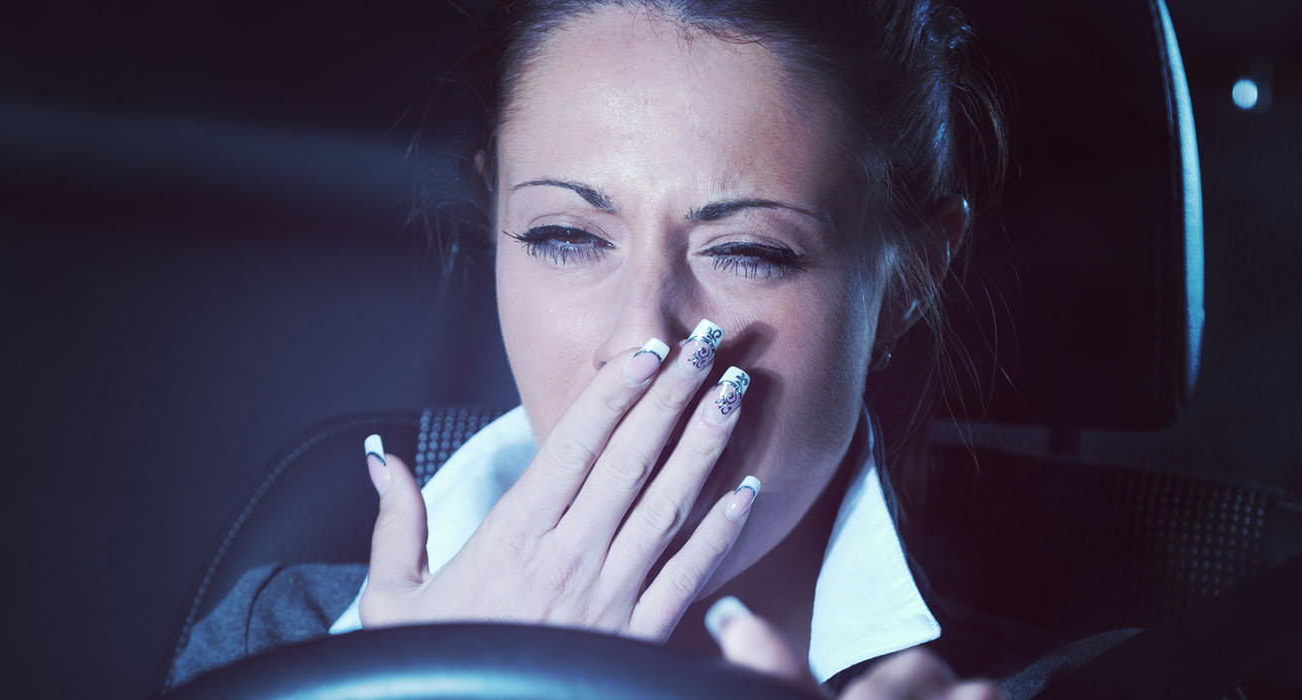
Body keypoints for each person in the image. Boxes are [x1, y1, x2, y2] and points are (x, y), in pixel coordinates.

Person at [168, 0, 1014, 696]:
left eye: (750, 251)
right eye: (565, 235)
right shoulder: (272, 648)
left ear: (912, 280)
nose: (643, 339)